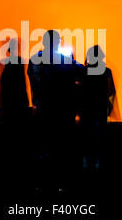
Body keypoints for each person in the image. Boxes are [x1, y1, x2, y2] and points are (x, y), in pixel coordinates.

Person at [27, 30, 84, 191]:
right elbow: (81, 73)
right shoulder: (64, 60)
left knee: (43, 148)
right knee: (62, 149)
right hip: (61, 111)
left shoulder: (34, 60)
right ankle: (60, 183)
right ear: (57, 43)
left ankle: (42, 183)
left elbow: (31, 76)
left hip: (42, 109)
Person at [80, 45, 115, 171]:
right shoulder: (106, 72)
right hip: (99, 108)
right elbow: (111, 91)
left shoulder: (83, 71)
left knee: (86, 137)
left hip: (86, 109)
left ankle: (85, 164)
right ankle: (98, 164)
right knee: (99, 138)